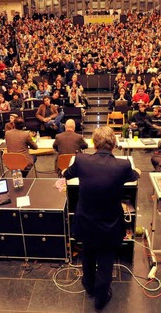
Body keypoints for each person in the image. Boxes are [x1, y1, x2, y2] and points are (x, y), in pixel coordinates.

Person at [61, 126, 140, 310]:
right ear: (113, 145)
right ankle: (100, 299)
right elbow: (134, 176)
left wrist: (68, 170)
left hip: (86, 223)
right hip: (110, 226)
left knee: (87, 255)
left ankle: (88, 287)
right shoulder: (123, 166)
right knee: (106, 261)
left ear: (94, 144)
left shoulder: (81, 161)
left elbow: (67, 174)